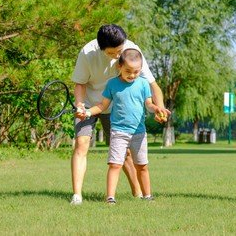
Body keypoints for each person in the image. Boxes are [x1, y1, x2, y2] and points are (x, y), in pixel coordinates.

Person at [71, 24, 169, 205]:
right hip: (90, 104)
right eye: (112, 53)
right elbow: (80, 84)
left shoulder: (131, 51)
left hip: (117, 107)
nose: (118, 56)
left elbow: (152, 85)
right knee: (81, 143)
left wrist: (160, 108)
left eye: (119, 51)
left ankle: (138, 193)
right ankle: (77, 195)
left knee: (126, 156)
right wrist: (80, 106)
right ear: (101, 49)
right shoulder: (87, 53)